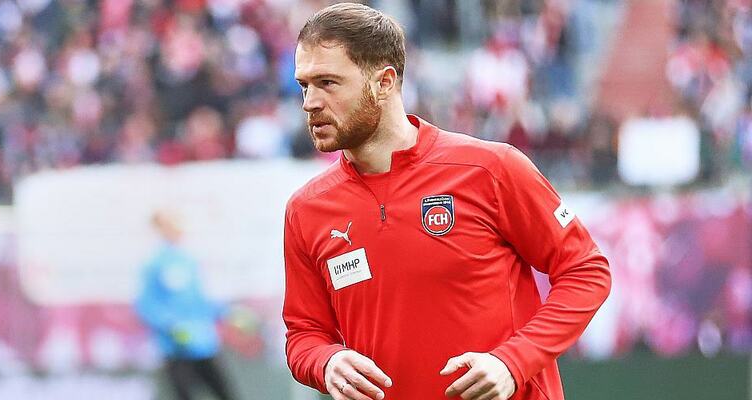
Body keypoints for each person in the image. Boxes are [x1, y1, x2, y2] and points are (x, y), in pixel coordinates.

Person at [281, 3, 611, 400]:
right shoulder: (307, 210)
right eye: (304, 85)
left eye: (328, 83)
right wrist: (326, 362)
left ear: (384, 82)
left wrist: (514, 361)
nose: (309, 102)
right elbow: (304, 334)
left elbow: (586, 270)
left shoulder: (490, 168)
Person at [135, 210, 236, 400]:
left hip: (204, 343)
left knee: (226, 393)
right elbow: (147, 305)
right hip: (177, 348)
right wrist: (171, 327)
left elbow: (201, 299)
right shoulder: (154, 263)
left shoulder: (189, 260)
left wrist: (228, 313)